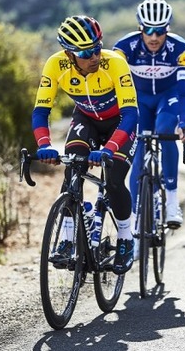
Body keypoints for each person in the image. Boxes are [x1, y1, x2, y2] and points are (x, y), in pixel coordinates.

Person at [32, 15, 139, 274]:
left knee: (113, 179)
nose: (93, 56)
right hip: (86, 120)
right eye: (85, 52)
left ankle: (126, 238)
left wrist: (109, 149)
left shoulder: (114, 63)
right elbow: (41, 111)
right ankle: (68, 239)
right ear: (69, 54)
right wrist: (44, 144)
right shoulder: (55, 65)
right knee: (72, 173)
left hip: (120, 123)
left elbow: (132, 114)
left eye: (96, 47)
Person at [113, 0, 185, 233]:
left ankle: (171, 201)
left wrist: (184, 122)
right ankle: (136, 216)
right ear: (140, 27)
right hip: (139, 99)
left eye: (159, 31)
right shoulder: (123, 47)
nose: (153, 37)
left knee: (165, 131)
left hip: (167, 98)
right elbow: (113, 85)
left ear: (167, 29)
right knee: (138, 154)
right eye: (148, 30)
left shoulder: (181, 50)